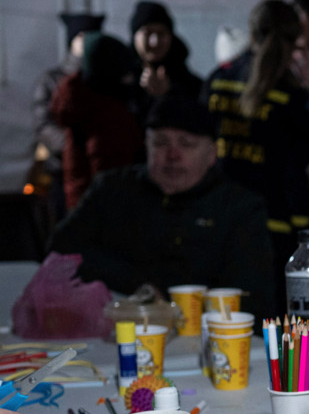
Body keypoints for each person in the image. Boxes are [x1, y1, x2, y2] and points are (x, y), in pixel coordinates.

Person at [50, 96, 276, 317]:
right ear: (146, 145)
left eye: (186, 144)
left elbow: (251, 295)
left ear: (211, 155)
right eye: (161, 143)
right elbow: (61, 247)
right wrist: (136, 284)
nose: (173, 155)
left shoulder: (239, 208)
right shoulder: (112, 189)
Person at [204, 0, 309, 294]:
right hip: (279, 226)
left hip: (221, 217)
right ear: (295, 39)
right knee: (278, 319)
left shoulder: (218, 80)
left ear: (251, 32)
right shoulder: (294, 95)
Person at [50, 31, 143, 210]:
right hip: (104, 213)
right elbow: (109, 171)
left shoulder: (84, 104)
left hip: (85, 207)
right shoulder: (105, 113)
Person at [32, 12, 105, 221]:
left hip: (101, 170)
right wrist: (73, 147)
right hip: (62, 171)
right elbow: (43, 124)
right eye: (82, 36)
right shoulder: (52, 80)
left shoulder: (106, 79)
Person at [128, 0, 203, 123]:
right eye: (148, 33)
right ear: (135, 36)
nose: (155, 42)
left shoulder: (191, 85)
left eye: (161, 33)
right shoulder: (118, 77)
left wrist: (168, 95)